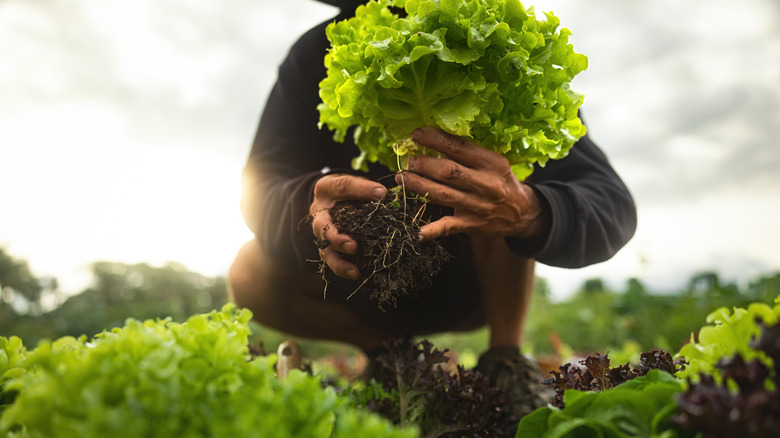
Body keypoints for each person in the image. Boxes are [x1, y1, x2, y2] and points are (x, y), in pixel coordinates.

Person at [229, 0, 637, 434]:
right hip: (365, 285)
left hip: (475, 284)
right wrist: (306, 204)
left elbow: (610, 204)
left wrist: (527, 209)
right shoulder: (318, 54)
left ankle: (506, 360)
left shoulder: (494, 35)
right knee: (248, 273)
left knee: (497, 182)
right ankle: (392, 358)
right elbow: (260, 186)